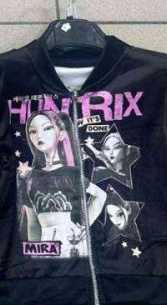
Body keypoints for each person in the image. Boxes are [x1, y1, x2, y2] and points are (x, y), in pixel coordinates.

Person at [17, 111, 106, 258]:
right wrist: (34, 257)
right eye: (33, 131)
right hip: (45, 241)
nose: (39, 135)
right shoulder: (29, 178)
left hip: (71, 239)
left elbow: (100, 195)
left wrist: (85, 225)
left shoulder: (72, 173)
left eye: (47, 128)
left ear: (61, 134)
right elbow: (32, 224)